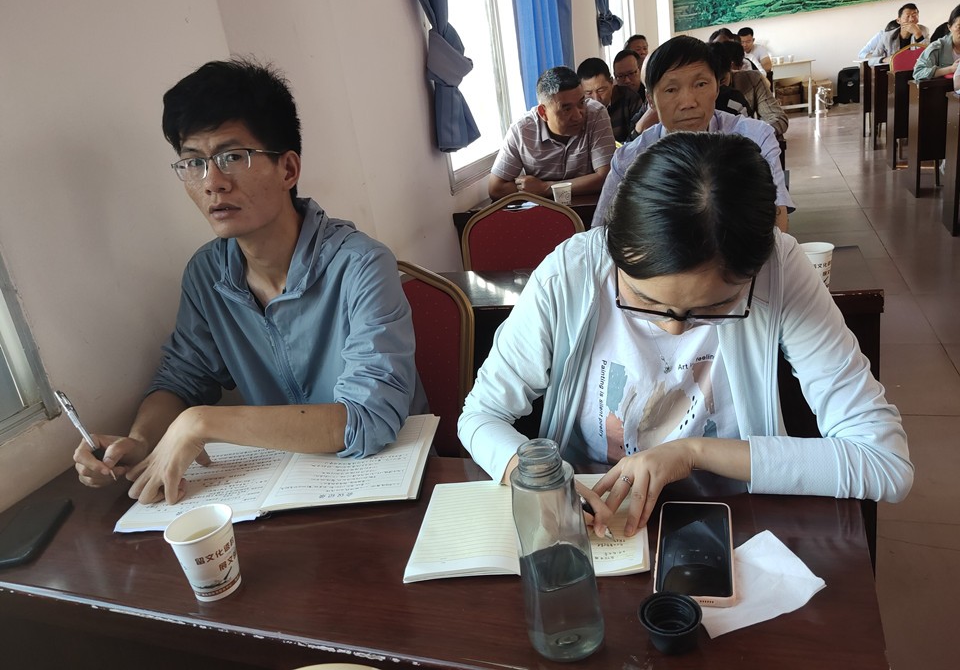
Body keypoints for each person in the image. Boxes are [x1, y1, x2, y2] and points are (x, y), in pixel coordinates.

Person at [458, 132, 913, 538]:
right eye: (643, 300)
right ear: (613, 248)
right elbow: (480, 416)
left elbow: (885, 463)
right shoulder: (572, 273)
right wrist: (542, 479)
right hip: (597, 518)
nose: (673, 326)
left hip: (735, 521)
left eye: (713, 308)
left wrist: (693, 452)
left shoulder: (780, 272)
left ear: (754, 274)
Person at [74, 59, 426, 504]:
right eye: (193, 162)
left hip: (390, 481)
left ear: (288, 169)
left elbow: (368, 420)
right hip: (284, 487)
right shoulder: (206, 274)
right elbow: (182, 379)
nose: (212, 183)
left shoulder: (361, 265)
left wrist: (201, 422)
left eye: (232, 157)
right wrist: (142, 441)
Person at [593, 36, 794, 232]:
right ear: (651, 101)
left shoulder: (755, 139)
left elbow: (776, 223)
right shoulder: (629, 160)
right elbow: (600, 234)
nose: (689, 102)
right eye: (671, 90)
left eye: (700, 84)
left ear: (717, 87)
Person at [488, 66, 615, 200]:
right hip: (542, 210)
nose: (578, 116)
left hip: (590, 207)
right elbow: (496, 188)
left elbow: (607, 177)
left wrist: (546, 188)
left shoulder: (596, 114)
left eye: (581, 103)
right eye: (566, 109)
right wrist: (530, 188)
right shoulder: (522, 130)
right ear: (543, 112)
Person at [717, 41, 789, 139]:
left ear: (731, 67)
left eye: (722, 80)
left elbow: (777, 117)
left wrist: (758, 133)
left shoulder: (751, 80)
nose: (717, 88)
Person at [576, 57, 645, 143]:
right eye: (588, 93)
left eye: (601, 90)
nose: (596, 99)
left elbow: (639, 140)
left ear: (611, 82)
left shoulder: (629, 98)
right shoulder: (578, 110)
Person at [913, 4, 960, 80]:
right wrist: (951, 69)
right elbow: (918, 73)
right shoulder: (937, 47)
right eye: (959, 27)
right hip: (945, 86)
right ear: (949, 27)